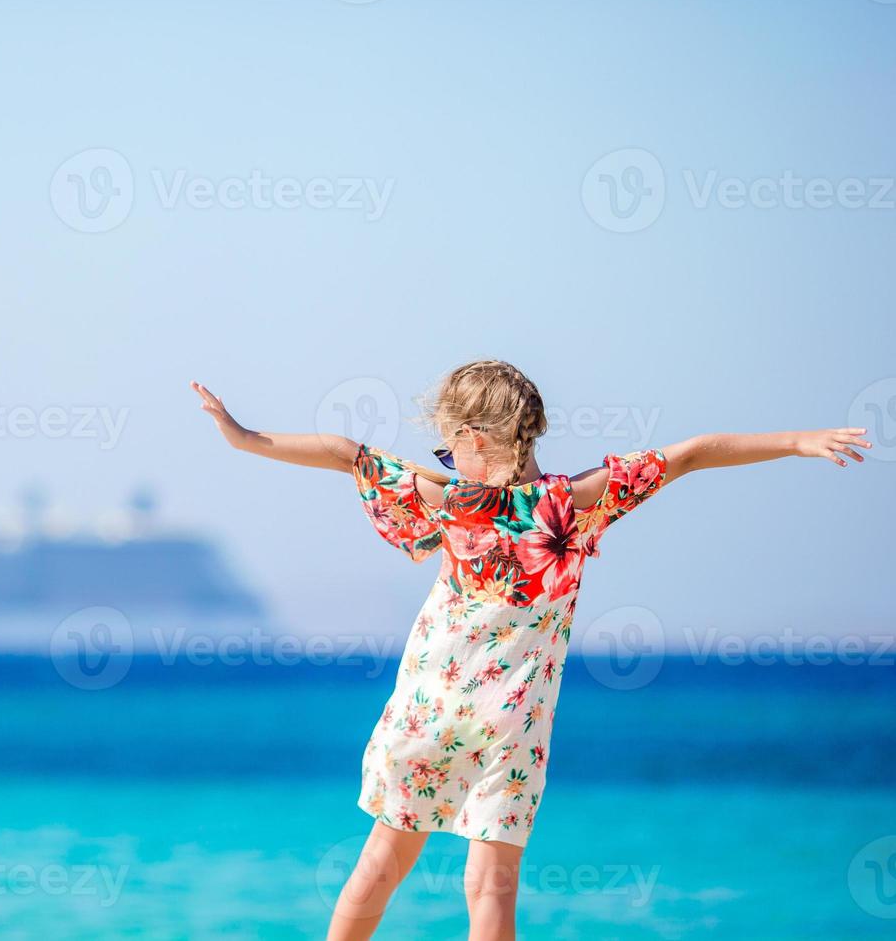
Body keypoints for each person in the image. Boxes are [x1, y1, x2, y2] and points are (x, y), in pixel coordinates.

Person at [190, 360, 870, 941]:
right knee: (492, 885)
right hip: (512, 727)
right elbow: (691, 454)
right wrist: (800, 440)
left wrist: (245, 437)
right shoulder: (574, 505)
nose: (448, 463)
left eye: (450, 450)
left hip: (428, 710)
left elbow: (346, 453)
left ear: (473, 437)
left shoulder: (447, 499)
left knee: (382, 863)